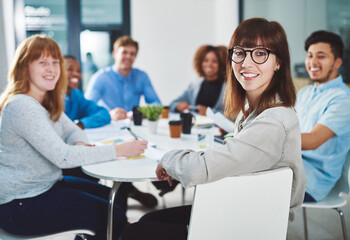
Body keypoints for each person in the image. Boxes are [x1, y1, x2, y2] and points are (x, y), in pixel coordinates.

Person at [120, 18, 306, 240]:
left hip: (248, 222)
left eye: (260, 53)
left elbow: (202, 169)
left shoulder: (274, 121)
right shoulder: (252, 109)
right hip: (237, 204)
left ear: (279, 62)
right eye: (240, 53)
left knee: (138, 232)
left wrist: (170, 160)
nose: (246, 63)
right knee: (148, 221)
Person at [0, 35, 148, 239]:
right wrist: (119, 150)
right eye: (42, 62)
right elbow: (64, 158)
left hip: (47, 185)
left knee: (116, 201)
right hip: (22, 204)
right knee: (114, 216)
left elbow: (72, 130)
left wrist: (79, 142)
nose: (51, 69)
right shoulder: (22, 106)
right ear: (25, 67)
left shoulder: (46, 102)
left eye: (55, 62)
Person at [295, 30, 350, 202]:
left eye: (321, 56)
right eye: (310, 55)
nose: (313, 62)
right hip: (291, 164)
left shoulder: (343, 100)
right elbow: (287, 126)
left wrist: (267, 138)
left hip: (312, 180)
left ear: (337, 62)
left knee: (248, 186)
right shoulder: (305, 93)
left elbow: (312, 141)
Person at [85, 35, 161, 120]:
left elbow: (157, 104)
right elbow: (87, 107)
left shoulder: (141, 76)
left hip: (134, 126)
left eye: (132, 54)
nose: (128, 57)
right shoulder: (100, 77)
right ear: (114, 53)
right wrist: (109, 114)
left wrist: (139, 112)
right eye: (124, 52)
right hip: (109, 125)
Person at [170, 45, 227, 115]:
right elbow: (172, 104)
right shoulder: (194, 85)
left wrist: (209, 113)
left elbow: (233, 116)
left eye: (214, 61)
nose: (209, 64)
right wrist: (178, 106)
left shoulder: (228, 88)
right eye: (205, 60)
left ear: (222, 64)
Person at [64, 55, 111, 129]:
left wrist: (81, 124)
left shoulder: (76, 95)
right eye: (70, 69)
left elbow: (104, 114)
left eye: (79, 71)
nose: (76, 74)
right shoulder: (52, 97)